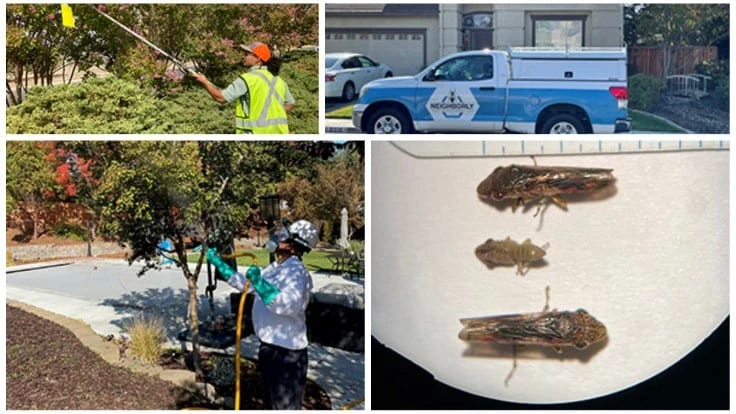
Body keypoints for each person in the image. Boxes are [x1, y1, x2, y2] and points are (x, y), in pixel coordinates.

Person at [206, 219, 319, 409]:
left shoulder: (296, 272)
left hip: (287, 354)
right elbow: (245, 284)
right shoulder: (275, 268)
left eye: (284, 236)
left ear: (295, 244)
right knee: (272, 403)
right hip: (270, 349)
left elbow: (289, 304)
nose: (277, 238)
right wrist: (220, 264)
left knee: (284, 407)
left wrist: (260, 284)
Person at [194, 41, 294, 134]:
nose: (243, 57)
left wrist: (204, 82)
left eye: (246, 54)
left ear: (257, 58)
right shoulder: (278, 80)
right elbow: (290, 103)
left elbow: (221, 97)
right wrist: (273, 113)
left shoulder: (247, 79)